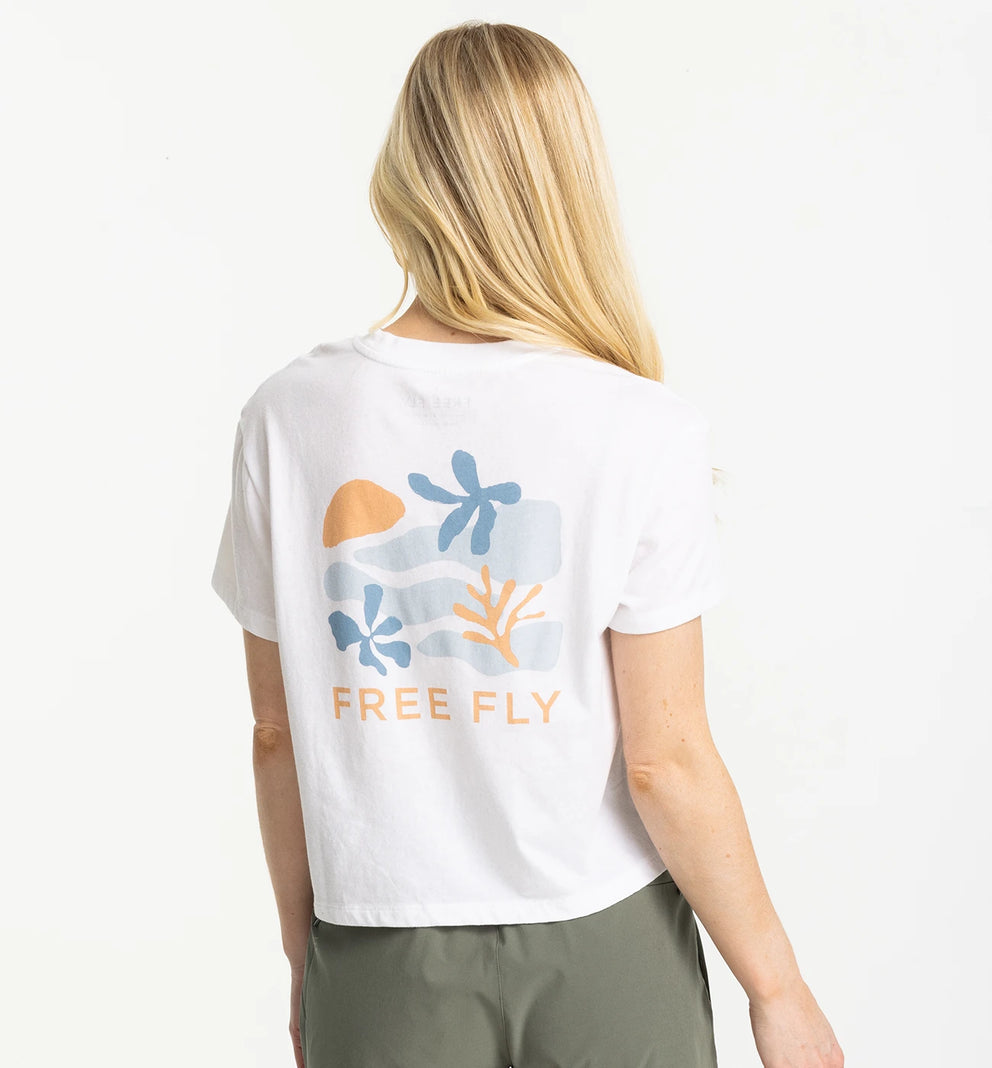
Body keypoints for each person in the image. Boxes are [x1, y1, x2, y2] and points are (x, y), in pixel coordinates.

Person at [210, 19, 843, 1068]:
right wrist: (777, 989)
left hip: (377, 947)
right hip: (608, 943)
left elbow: (275, 734)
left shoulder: (286, 416)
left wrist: (308, 965)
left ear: (404, 176)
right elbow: (666, 761)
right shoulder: (640, 426)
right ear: (570, 184)